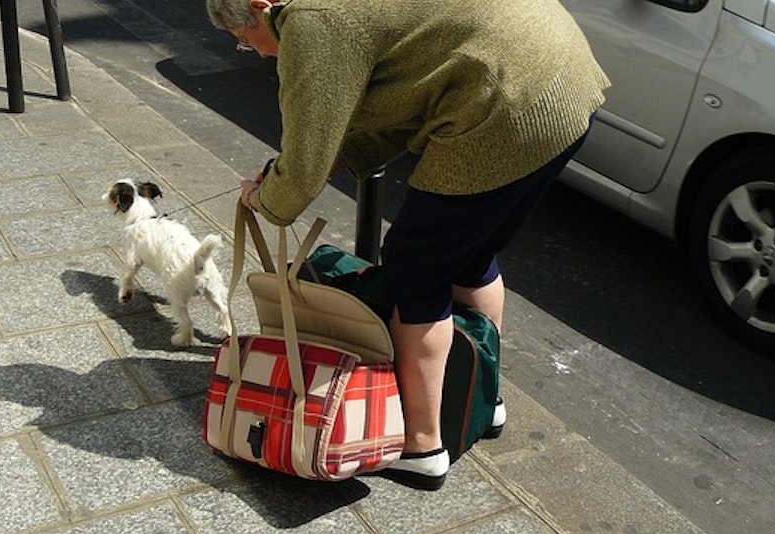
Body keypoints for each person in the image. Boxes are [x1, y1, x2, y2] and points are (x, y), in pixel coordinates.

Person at [206, 0, 610, 490]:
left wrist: (267, 198)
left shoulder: (309, 21)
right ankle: (481, 399)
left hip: (503, 104)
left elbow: (304, 160)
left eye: (244, 40)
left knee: (416, 268)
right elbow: (404, 98)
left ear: (259, 6)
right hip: (564, 80)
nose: (257, 53)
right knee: (471, 254)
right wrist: (330, 161)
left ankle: (422, 446)